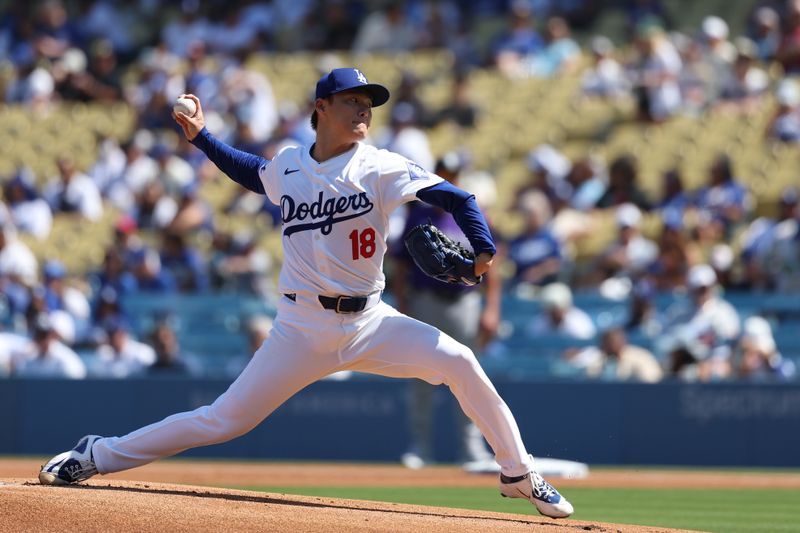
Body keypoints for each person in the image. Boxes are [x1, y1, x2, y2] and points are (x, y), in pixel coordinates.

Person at [38, 67, 573, 519]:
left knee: (459, 360)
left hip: (370, 323)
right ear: (322, 107)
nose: (364, 111)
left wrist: (482, 248)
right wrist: (201, 136)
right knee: (222, 421)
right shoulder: (292, 164)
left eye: (369, 103)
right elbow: (254, 173)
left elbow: (459, 198)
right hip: (298, 329)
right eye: (352, 102)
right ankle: (97, 455)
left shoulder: (378, 165)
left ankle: (518, 473)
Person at [391, 153, 500, 472]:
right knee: (420, 374)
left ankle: (471, 448)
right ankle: (420, 447)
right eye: (444, 172)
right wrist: (403, 304)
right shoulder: (417, 215)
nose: (448, 176)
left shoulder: (470, 211)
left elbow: (494, 265)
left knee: (468, 375)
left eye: (453, 172)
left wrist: (491, 308)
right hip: (425, 299)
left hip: (465, 301)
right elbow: (400, 265)